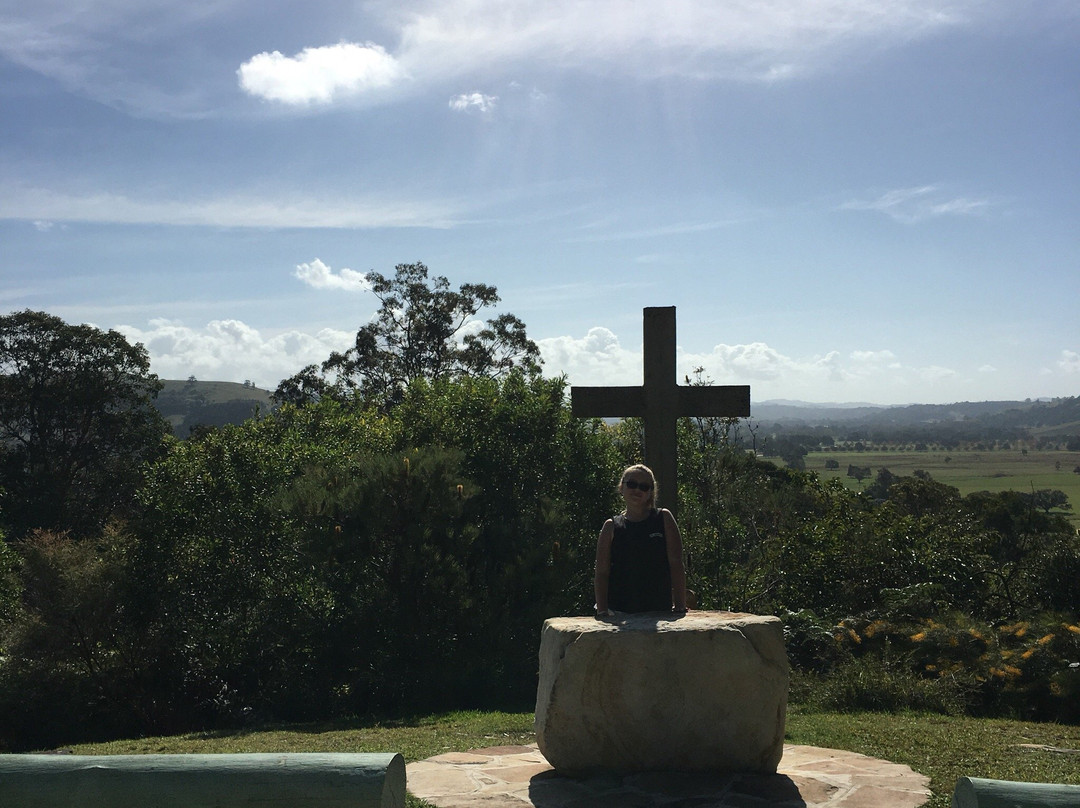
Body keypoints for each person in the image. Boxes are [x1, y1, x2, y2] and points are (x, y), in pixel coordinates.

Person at [593, 464, 688, 616]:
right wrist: (602, 610)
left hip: (659, 611)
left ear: (651, 492)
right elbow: (602, 572)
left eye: (644, 487)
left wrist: (680, 605)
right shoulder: (611, 527)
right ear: (621, 488)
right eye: (631, 484)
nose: (637, 490)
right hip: (618, 612)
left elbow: (676, 564)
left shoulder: (663, 519)